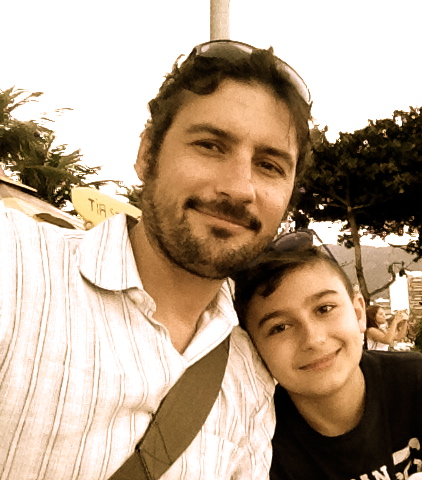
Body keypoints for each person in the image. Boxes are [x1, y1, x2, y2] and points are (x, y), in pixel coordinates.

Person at [0, 40, 312, 480]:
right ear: (147, 154)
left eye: (269, 165)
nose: (240, 188)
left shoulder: (249, 382)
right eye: (210, 145)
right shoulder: (16, 266)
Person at [233, 242, 422, 480]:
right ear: (252, 348)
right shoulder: (256, 437)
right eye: (280, 327)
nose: (313, 339)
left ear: (359, 313)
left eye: (324, 309)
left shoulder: (416, 382)